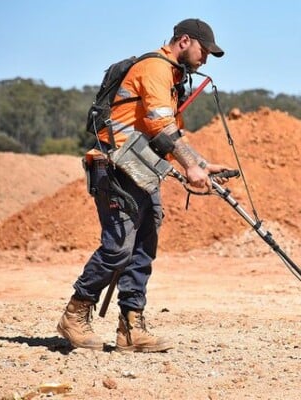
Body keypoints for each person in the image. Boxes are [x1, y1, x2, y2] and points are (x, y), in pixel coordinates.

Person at [57, 18, 229, 352]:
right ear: (184, 41)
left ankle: (131, 328)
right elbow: (160, 126)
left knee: (142, 248)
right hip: (116, 166)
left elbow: (169, 134)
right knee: (118, 247)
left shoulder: (173, 77)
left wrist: (203, 164)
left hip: (142, 169)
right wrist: (191, 166)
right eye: (203, 50)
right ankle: (74, 314)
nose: (205, 58)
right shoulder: (155, 67)